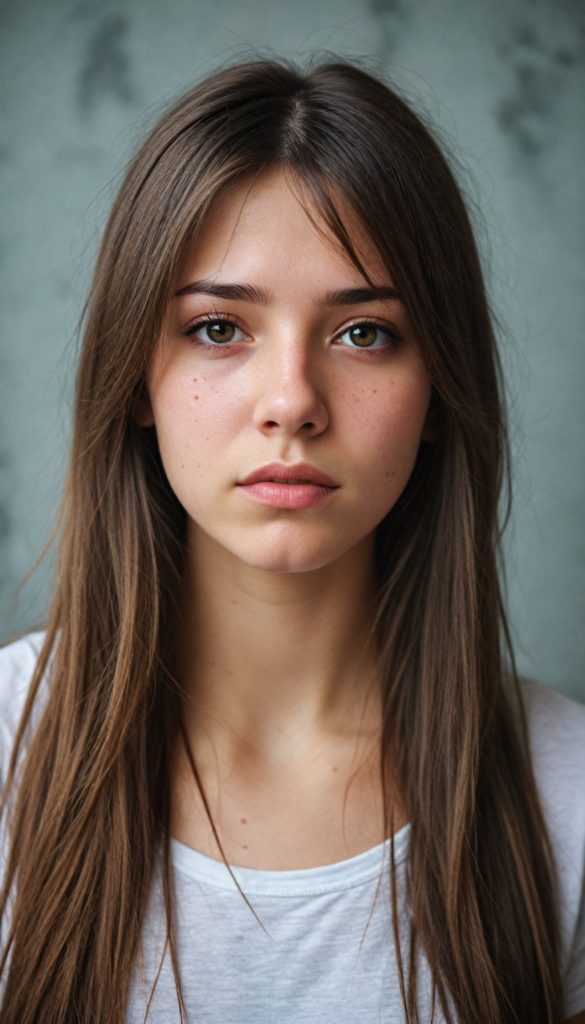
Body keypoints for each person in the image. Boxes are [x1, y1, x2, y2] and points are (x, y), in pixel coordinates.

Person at [0, 59, 583, 1024]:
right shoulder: (10, 760)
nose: (292, 403)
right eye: (220, 326)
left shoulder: (560, 799)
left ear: (439, 389)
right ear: (135, 375)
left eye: (363, 334)